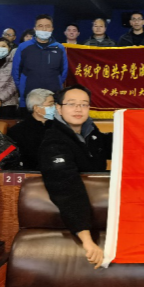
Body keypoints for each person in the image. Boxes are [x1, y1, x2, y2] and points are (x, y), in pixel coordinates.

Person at [39, 86, 112, 269]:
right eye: (71, 104)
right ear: (58, 108)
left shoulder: (90, 131)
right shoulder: (53, 141)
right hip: (74, 222)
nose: (78, 109)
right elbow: (67, 188)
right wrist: (86, 239)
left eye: (84, 104)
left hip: (103, 212)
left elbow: (114, 144)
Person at [12, 15, 68, 105]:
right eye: (40, 26)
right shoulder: (23, 47)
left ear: (52, 29)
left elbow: (63, 72)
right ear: (35, 28)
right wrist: (22, 89)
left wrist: (55, 85)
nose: (44, 29)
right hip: (28, 97)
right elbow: (16, 71)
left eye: (47, 26)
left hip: (53, 97)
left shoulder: (59, 48)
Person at [6, 88, 55, 171]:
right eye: (50, 105)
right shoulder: (17, 131)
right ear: (36, 108)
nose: (54, 107)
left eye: (54, 104)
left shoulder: (58, 127)